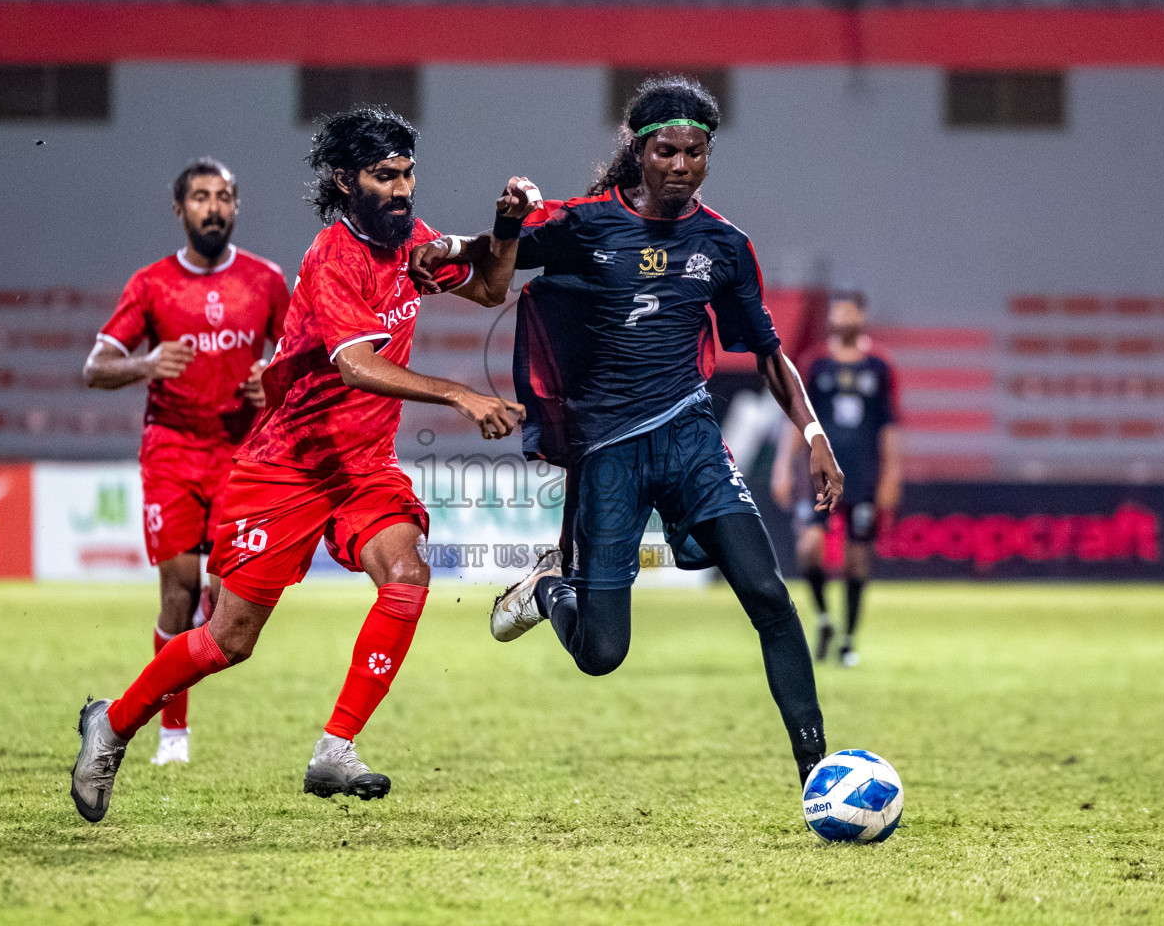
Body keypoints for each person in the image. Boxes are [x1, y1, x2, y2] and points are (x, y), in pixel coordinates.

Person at [70, 108, 536, 822]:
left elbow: (490, 288)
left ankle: (335, 749)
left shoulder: (411, 239)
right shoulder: (331, 257)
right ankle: (116, 722)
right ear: (347, 181)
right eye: (386, 176)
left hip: (362, 465)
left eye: (409, 173)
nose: (403, 187)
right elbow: (354, 364)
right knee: (230, 639)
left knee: (408, 574)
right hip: (286, 465)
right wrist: (460, 395)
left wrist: (502, 230)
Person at [430, 76, 846, 790]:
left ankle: (818, 770)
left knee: (769, 597)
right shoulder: (585, 225)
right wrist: (484, 231)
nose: (681, 166)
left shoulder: (724, 245)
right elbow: (493, 273)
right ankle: (547, 590)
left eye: (694, 153)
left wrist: (812, 433)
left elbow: (768, 352)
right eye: (666, 152)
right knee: (601, 653)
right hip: (607, 456)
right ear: (640, 151)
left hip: (690, 440)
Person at [84, 157, 290, 767]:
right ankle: (173, 733)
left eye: (224, 196)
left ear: (235, 207)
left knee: (223, 599)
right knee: (179, 592)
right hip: (172, 451)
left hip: (242, 457)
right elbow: (95, 367)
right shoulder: (151, 285)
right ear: (180, 210)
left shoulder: (266, 280)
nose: (214, 207)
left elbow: (305, 358)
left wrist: (271, 382)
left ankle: (165, 712)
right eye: (201, 196)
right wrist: (145, 365)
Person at [771, 290, 901, 667]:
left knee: (857, 559)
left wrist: (891, 474)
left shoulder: (879, 366)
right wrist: (783, 464)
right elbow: (797, 416)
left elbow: (889, 427)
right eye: (836, 312)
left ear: (862, 316)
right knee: (809, 546)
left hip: (863, 474)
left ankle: (848, 639)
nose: (841, 318)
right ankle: (825, 618)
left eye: (848, 312)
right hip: (819, 475)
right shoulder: (816, 364)